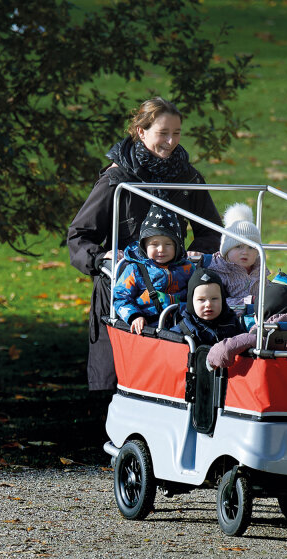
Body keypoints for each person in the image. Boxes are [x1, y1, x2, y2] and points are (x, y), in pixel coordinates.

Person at [66, 97, 222, 392]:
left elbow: (213, 231)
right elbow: (79, 236)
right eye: (163, 133)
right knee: (118, 383)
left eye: (176, 133)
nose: (171, 141)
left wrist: (196, 253)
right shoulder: (116, 180)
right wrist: (100, 259)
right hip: (124, 293)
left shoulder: (188, 177)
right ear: (141, 131)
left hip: (176, 292)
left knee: (172, 381)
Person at [113, 205, 194, 334]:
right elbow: (120, 296)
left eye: (168, 244)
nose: (161, 249)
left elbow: (198, 292)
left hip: (182, 323)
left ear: (177, 246)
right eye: (154, 244)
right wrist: (135, 316)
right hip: (148, 325)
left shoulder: (187, 268)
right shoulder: (135, 269)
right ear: (144, 246)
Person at [207, 284, 287, 369]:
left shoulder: (260, 338)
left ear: (257, 317)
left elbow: (225, 350)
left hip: (268, 387)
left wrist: (209, 361)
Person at [203, 202, 265, 313]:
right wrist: (248, 301)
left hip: (260, 316)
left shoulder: (259, 268)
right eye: (238, 246)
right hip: (231, 319)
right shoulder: (219, 271)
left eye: (251, 247)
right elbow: (216, 302)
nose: (245, 252)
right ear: (227, 250)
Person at [172, 268, 245, 346]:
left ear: (222, 300)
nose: (208, 304)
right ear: (191, 302)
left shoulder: (232, 322)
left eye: (214, 298)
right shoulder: (184, 328)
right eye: (201, 300)